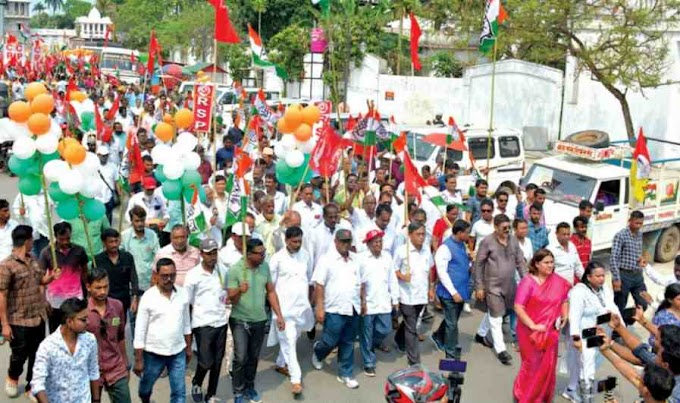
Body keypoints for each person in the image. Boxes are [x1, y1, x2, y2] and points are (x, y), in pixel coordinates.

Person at [0, 225, 57, 400]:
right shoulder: (6, 266)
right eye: (32, 239)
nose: (33, 242)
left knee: (37, 354)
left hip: (38, 317)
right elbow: (2, 295)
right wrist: (4, 324)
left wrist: (51, 277)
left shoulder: (33, 259)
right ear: (27, 241)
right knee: (19, 354)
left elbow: (41, 280)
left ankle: (32, 385)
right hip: (18, 319)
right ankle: (12, 376)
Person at [227, 239, 286, 403]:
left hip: (259, 320)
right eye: (260, 254)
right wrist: (239, 289)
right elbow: (230, 297)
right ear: (249, 254)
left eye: (264, 253)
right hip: (240, 320)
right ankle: (238, 392)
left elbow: (271, 292)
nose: (263, 256)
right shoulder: (235, 270)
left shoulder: (265, 267)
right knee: (240, 357)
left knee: (253, 357)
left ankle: (249, 387)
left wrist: (279, 315)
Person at [512, 249, 570, 403]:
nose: (550, 266)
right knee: (532, 365)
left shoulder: (558, 281)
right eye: (546, 263)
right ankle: (523, 395)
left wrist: (565, 315)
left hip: (550, 331)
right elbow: (519, 307)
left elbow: (564, 299)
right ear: (536, 264)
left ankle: (540, 397)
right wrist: (533, 325)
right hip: (529, 332)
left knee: (549, 365)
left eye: (552, 262)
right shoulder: (528, 282)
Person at [133, 258, 192, 403]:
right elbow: (140, 330)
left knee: (179, 392)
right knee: (145, 388)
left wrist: (188, 348)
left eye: (172, 275)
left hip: (177, 352)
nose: (169, 279)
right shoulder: (148, 297)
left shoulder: (183, 294)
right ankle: (145, 398)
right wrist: (139, 359)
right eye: (164, 276)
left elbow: (186, 324)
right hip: (154, 354)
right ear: (156, 276)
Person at [311, 229, 362, 389]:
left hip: (352, 307)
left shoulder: (356, 260)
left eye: (348, 241)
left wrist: (363, 302)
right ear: (336, 242)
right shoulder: (326, 260)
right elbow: (319, 285)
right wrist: (320, 307)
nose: (345, 245)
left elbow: (360, 283)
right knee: (330, 340)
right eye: (342, 241)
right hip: (334, 308)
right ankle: (319, 352)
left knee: (348, 341)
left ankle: (345, 373)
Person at [474, 214, 526, 366]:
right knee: (497, 319)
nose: (507, 230)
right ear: (495, 227)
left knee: (498, 312)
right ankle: (501, 350)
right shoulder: (487, 242)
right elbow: (478, 265)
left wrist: (527, 281)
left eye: (509, 227)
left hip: (509, 286)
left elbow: (520, 261)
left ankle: (480, 334)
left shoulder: (513, 240)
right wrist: (479, 286)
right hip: (492, 287)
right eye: (504, 228)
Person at [564, 261, 620, 402]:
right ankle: (586, 397)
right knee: (585, 365)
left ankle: (573, 389)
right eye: (598, 276)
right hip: (583, 333)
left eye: (603, 276)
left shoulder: (604, 289)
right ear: (588, 277)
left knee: (588, 363)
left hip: (598, 331)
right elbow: (574, 317)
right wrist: (576, 339)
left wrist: (619, 324)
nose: (602, 279)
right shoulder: (579, 291)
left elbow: (611, 307)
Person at [268, 226, 314, 396]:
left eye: (300, 241)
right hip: (284, 310)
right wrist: (277, 313)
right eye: (294, 242)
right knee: (289, 341)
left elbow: (308, 280)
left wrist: (309, 302)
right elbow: (270, 287)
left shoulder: (306, 255)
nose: (297, 244)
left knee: (292, 339)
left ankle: (281, 363)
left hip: (301, 308)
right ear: (286, 241)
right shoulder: (277, 259)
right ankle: (296, 380)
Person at [184, 238, 229, 403]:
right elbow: (186, 303)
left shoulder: (222, 270)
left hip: (221, 321)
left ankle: (211, 394)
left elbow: (226, 292)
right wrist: (186, 330)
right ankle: (197, 381)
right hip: (202, 323)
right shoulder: (193, 275)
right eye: (209, 253)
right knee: (206, 361)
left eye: (215, 253)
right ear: (201, 254)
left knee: (217, 362)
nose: (212, 257)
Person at [31, 298, 101, 403]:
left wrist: (96, 400)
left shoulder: (90, 340)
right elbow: (37, 384)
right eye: (83, 319)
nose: (88, 322)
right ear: (69, 321)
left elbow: (93, 371)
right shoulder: (47, 347)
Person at [85, 269, 132, 403]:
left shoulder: (117, 306)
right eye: (98, 288)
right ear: (88, 287)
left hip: (116, 368)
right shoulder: (83, 311)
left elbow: (121, 337)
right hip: (91, 371)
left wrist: (126, 364)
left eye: (106, 287)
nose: (103, 292)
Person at [358, 229, 399, 377]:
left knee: (385, 329)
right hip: (368, 303)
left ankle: (372, 344)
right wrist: (361, 301)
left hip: (383, 302)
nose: (378, 244)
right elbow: (358, 282)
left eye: (380, 241)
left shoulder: (387, 257)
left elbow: (392, 279)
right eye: (375, 242)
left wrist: (395, 299)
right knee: (366, 333)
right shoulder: (361, 259)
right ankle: (369, 361)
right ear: (368, 244)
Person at [394, 222, 434, 366]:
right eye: (418, 234)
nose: (421, 237)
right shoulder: (401, 251)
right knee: (412, 328)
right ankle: (414, 361)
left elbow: (429, 271)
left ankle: (398, 338)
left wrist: (431, 288)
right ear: (410, 235)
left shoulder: (426, 251)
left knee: (410, 323)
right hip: (407, 294)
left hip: (421, 294)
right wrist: (403, 276)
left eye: (423, 234)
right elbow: (394, 270)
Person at [431, 219, 472, 360]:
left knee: (451, 320)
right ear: (459, 233)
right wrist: (453, 292)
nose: (469, 235)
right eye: (467, 232)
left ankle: (438, 335)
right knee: (452, 324)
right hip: (449, 294)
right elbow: (442, 273)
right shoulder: (445, 248)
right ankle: (451, 352)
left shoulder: (462, 245)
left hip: (462, 290)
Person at [38, 222, 89, 332]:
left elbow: (85, 272)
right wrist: (43, 300)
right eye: (62, 239)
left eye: (68, 238)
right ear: (55, 237)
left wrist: (88, 293)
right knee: (56, 331)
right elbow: (41, 279)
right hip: (55, 301)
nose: (65, 242)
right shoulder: (46, 252)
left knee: (77, 330)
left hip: (75, 299)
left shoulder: (79, 250)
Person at [120, 206, 160, 333]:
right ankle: (136, 347)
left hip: (150, 284)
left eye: (142, 220)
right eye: (137, 221)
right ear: (131, 221)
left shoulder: (152, 235)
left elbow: (158, 257)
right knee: (134, 318)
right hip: (132, 286)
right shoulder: (125, 237)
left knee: (151, 318)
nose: (140, 224)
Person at [611, 210, 649, 314]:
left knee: (644, 302)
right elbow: (614, 258)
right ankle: (619, 328)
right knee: (620, 305)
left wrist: (641, 259)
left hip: (637, 276)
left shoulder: (640, 234)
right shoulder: (621, 235)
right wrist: (616, 279)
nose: (638, 226)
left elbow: (638, 252)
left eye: (640, 223)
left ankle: (627, 320)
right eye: (636, 223)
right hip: (624, 276)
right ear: (630, 221)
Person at [95, 228, 139, 316]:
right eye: (111, 242)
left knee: (120, 326)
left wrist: (135, 298)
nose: (114, 244)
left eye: (116, 241)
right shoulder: (98, 260)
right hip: (105, 300)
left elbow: (134, 278)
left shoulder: (127, 257)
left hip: (123, 300)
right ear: (104, 243)